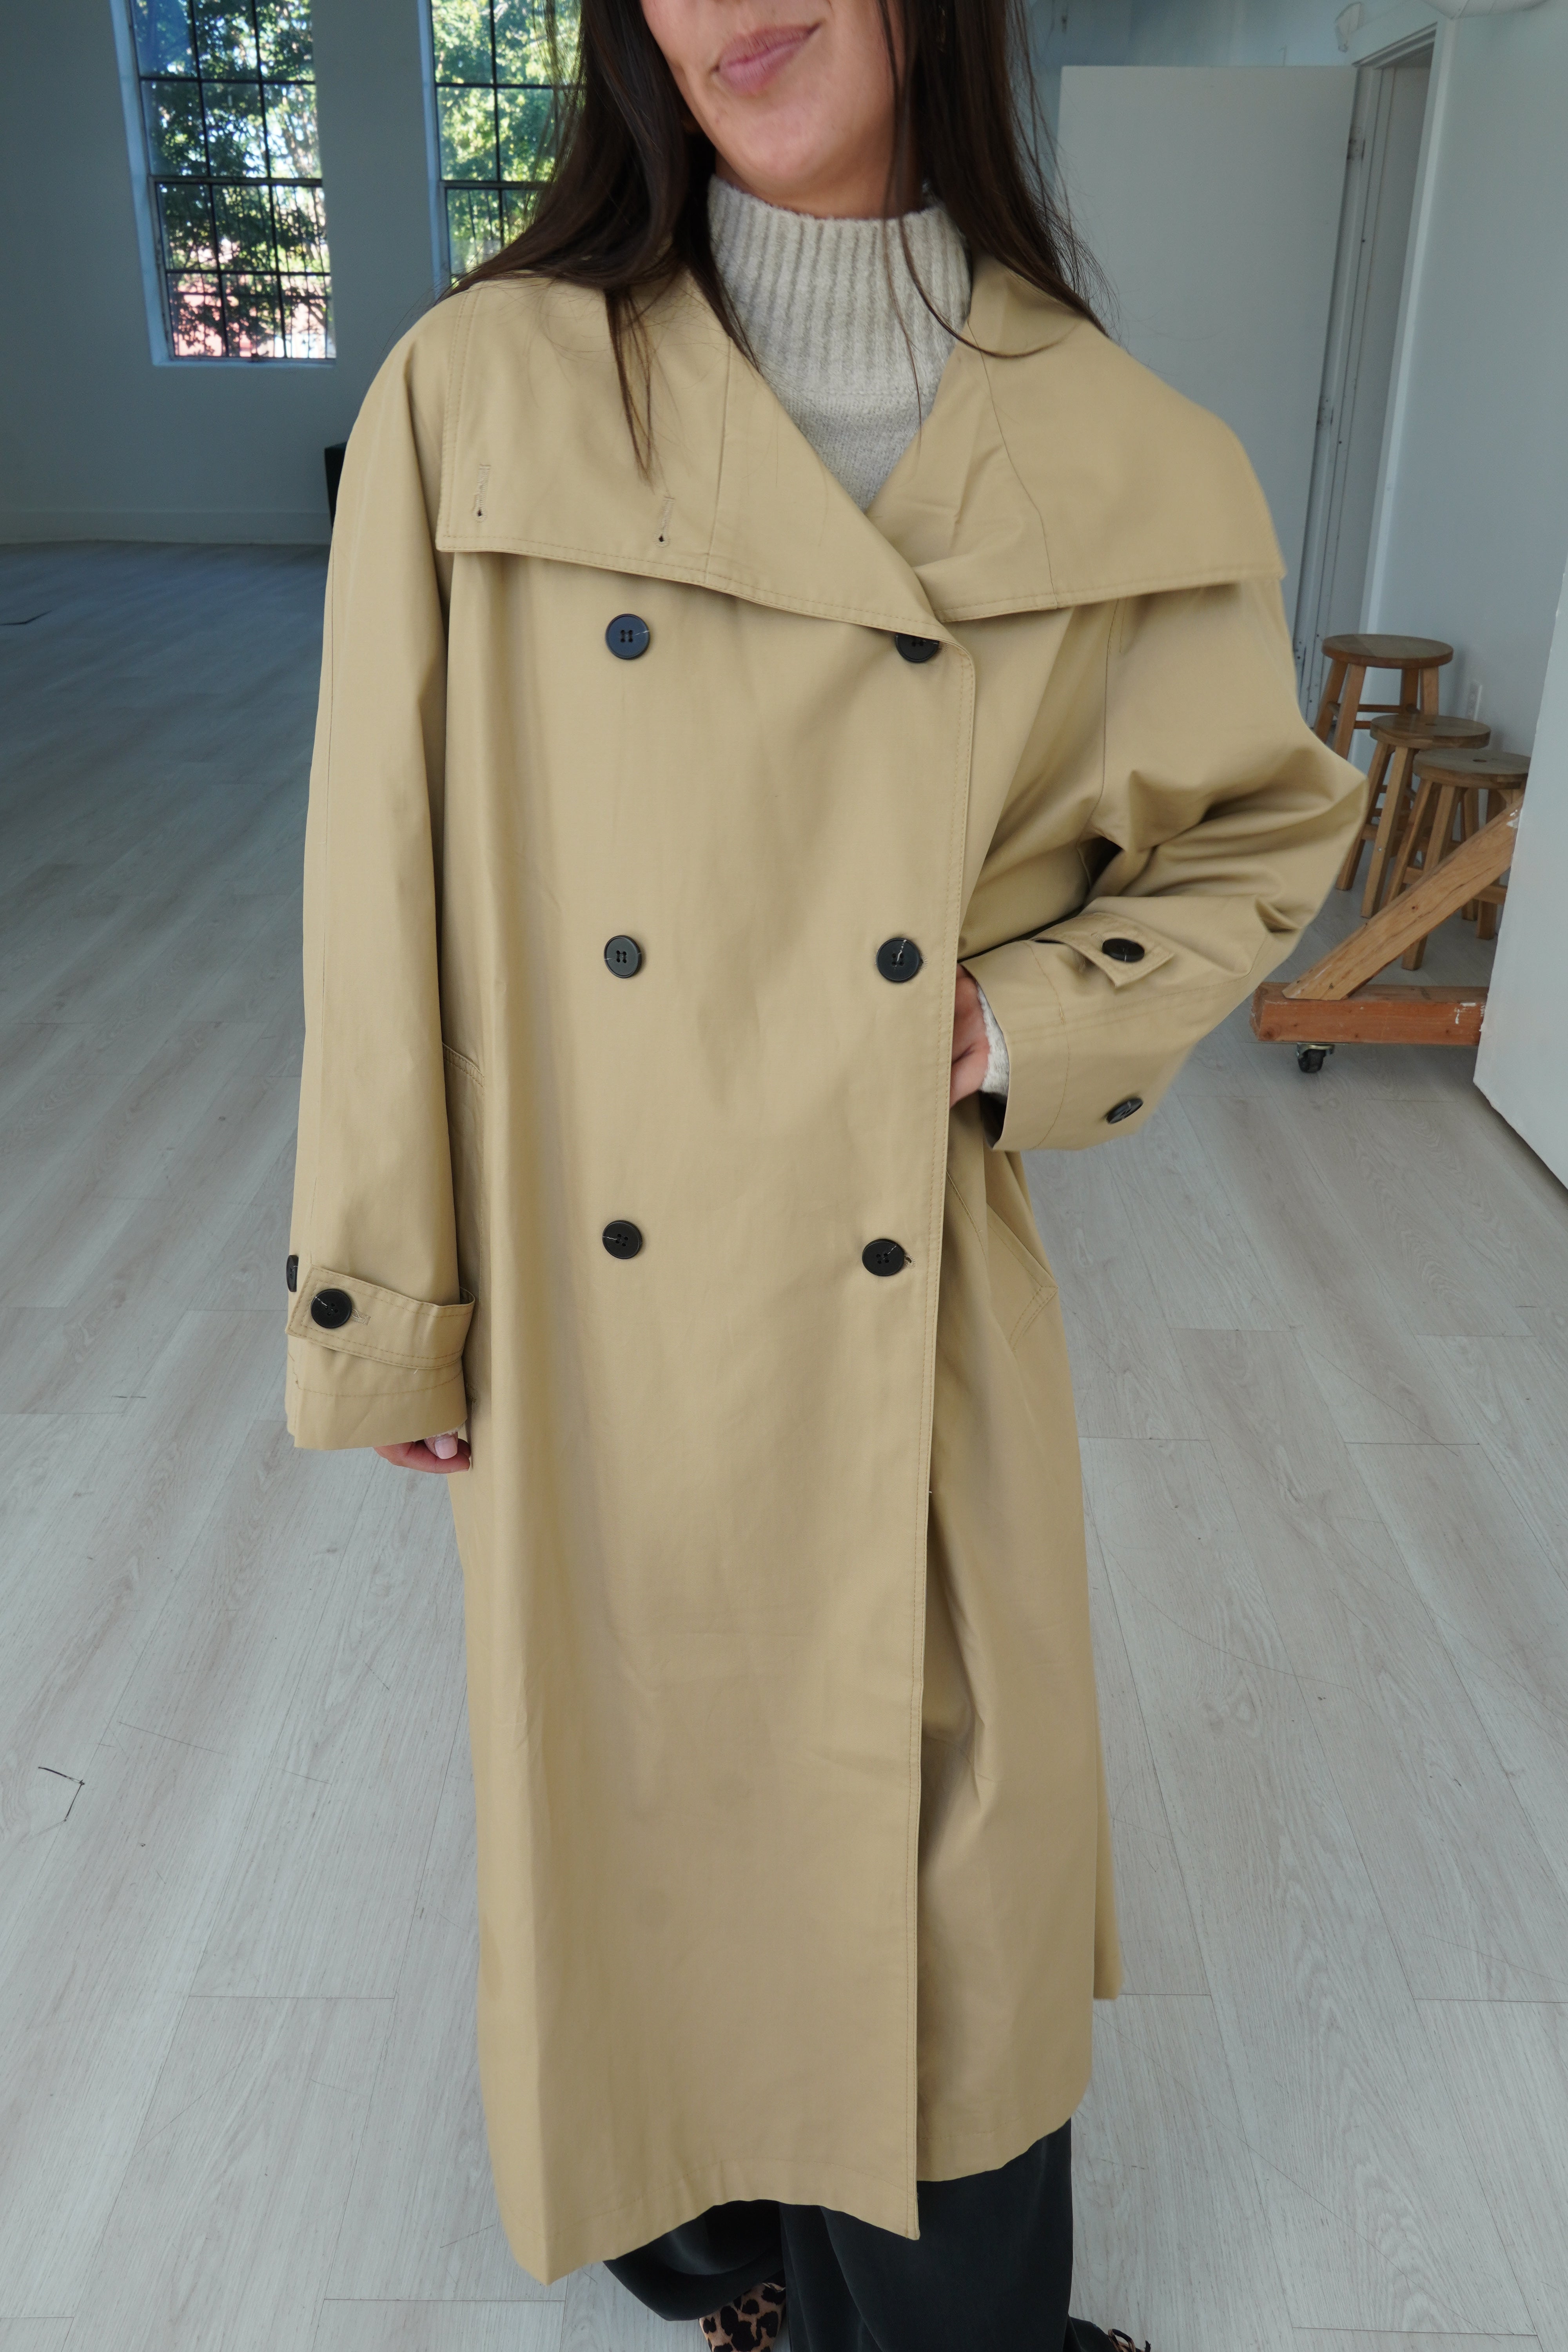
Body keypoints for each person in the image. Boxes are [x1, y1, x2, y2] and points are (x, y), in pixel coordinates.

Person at [283, 0, 1364, 2337]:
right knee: (655, 1809)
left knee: (954, 1838)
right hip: (601, 1294)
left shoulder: (1122, 444)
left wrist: (1029, 1014)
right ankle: (734, 2263)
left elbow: (1265, 826)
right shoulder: (484, 389)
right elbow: (379, 886)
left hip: (913, 1274)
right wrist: (387, 1298)